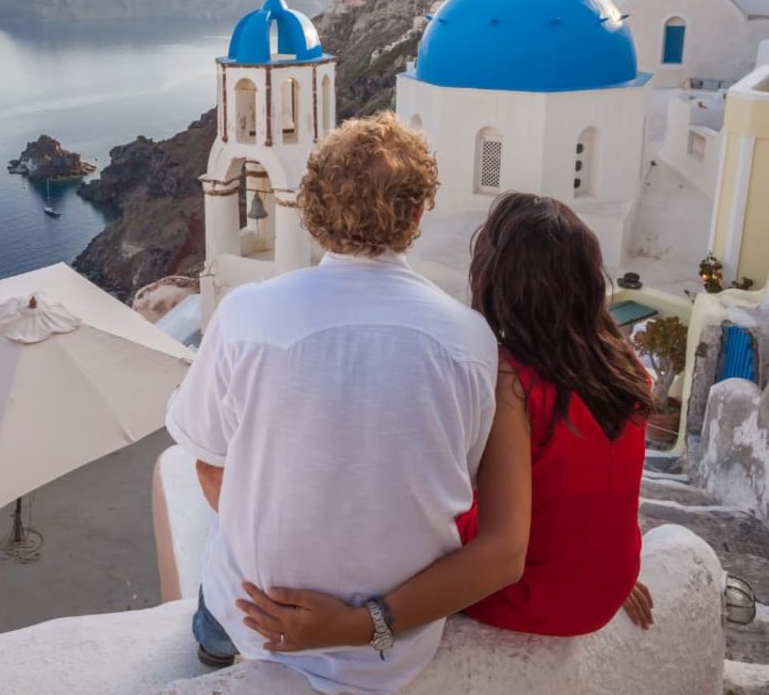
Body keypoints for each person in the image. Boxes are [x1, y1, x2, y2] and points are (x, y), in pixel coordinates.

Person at [235, 192, 655, 655]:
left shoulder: (513, 381)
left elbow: (504, 555)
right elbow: (596, 479)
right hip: (603, 589)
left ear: (495, 280)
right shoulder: (625, 367)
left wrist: (356, 626)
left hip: (532, 601)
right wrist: (607, 576)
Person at [165, 114, 498, 695]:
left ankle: (212, 651)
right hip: (396, 647)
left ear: (313, 210)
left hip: (257, 619)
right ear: (417, 214)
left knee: (213, 592)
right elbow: (454, 481)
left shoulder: (246, 315)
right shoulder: (469, 340)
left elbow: (207, 463)